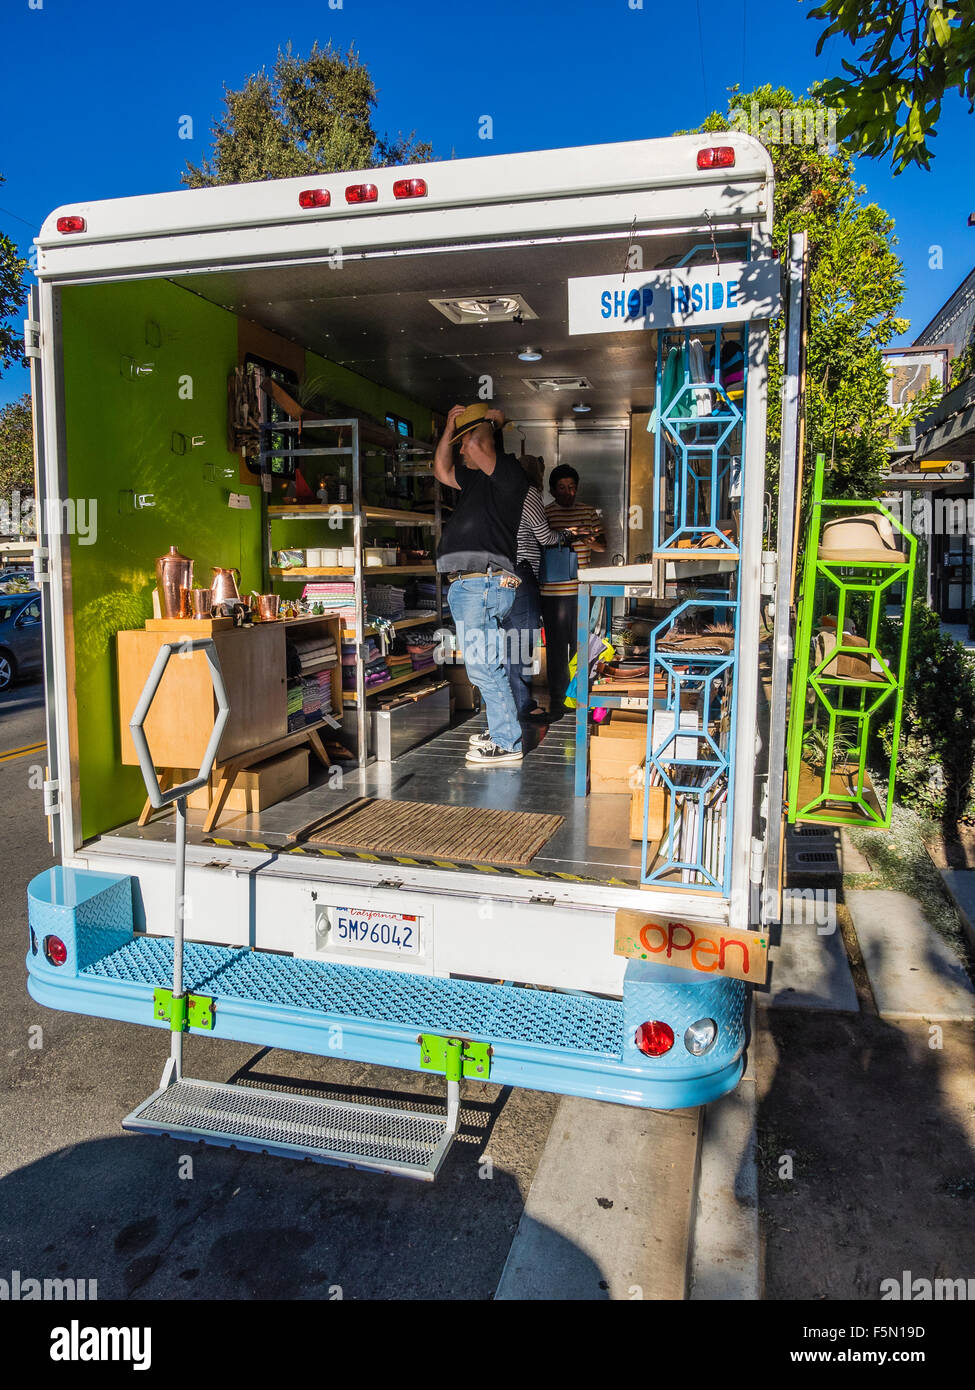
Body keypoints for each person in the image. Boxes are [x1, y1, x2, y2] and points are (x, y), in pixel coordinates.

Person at [434, 404, 529, 765]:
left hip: (482, 584)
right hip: (472, 585)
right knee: (487, 665)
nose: (460, 450)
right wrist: (448, 427)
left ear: (486, 440)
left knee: (483, 668)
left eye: (464, 441)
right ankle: (499, 728)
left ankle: (507, 742)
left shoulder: (508, 474)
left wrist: (491, 421)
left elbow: (474, 446)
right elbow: (441, 469)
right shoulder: (474, 480)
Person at [503, 455, 573, 721]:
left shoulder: (501, 492)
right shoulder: (528, 492)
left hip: (501, 574)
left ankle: (512, 704)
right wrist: (566, 534)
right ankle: (522, 706)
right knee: (522, 642)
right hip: (522, 573)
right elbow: (544, 536)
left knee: (510, 643)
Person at [539, 463, 606, 720]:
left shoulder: (588, 513)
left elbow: (602, 546)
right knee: (556, 647)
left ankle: (579, 694)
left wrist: (591, 540)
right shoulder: (545, 513)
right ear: (553, 490)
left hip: (580, 590)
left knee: (580, 645)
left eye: (572, 487)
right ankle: (558, 698)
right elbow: (541, 544)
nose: (569, 492)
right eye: (563, 488)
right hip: (553, 593)